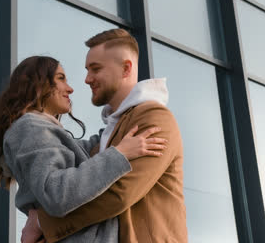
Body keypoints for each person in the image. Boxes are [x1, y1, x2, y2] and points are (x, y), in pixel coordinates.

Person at [0, 56, 168, 243]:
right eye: (61, 78)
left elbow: (92, 149)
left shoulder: (41, 131)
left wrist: (125, 112)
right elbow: (56, 192)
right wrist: (119, 155)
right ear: (37, 83)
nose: (70, 88)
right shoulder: (30, 127)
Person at [25, 29, 188, 242]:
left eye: (95, 69)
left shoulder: (154, 118)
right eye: (87, 70)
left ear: (126, 68)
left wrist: (42, 223)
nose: (87, 79)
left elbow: (119, 193)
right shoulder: (109, 131)